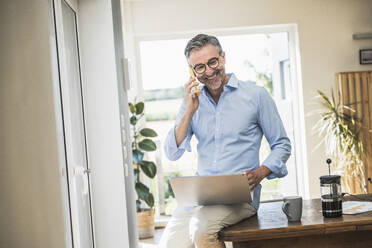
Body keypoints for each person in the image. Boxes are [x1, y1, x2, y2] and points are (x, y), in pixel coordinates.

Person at [159, 34, 291, 248]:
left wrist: (261, 172)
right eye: (199, 67)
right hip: (200, 196)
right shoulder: (192, 102)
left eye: (213, 62)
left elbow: (282, 144)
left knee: (201, 231)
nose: (209, 71)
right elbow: (171, 153)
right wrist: (189, 111)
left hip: (240, 197)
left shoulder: (256, 95)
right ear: (192, 72)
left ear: (223, 57)